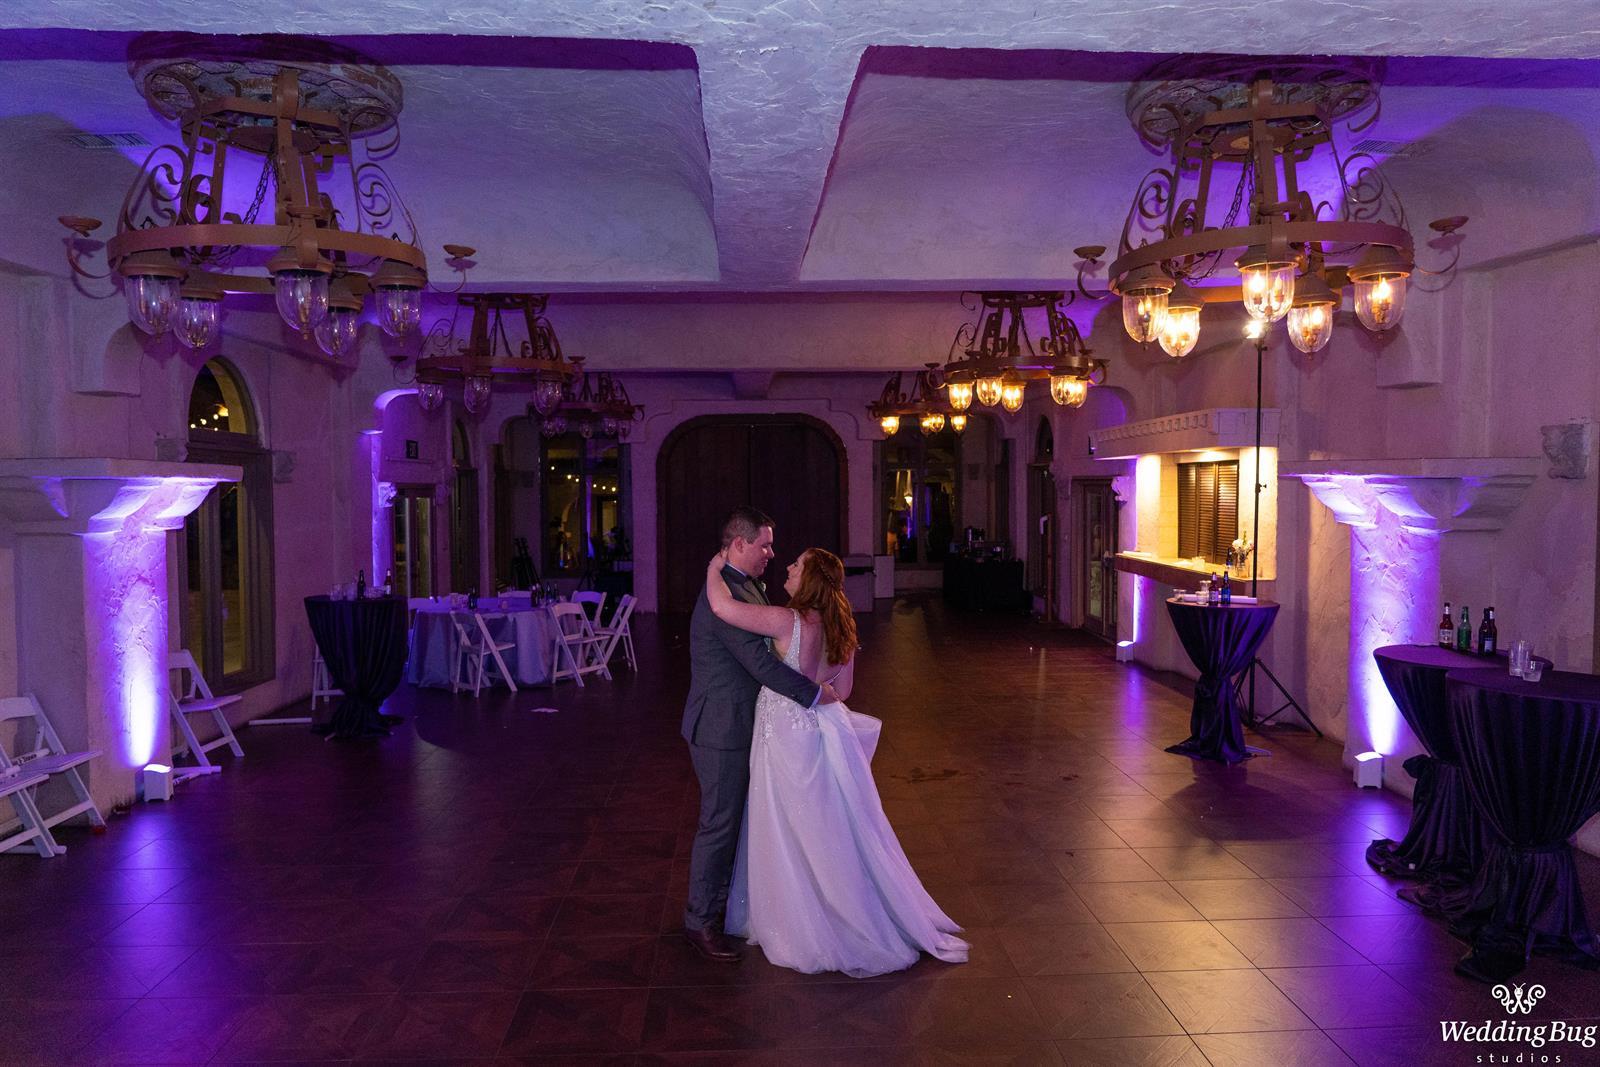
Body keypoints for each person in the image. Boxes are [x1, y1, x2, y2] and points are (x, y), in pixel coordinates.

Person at [703, 545, 969, 977]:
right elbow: (841, 692)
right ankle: (841, 907)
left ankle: (800, 918)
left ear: (809, 579)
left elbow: (721, 606)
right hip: (820, 731)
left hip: (783, 732)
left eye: (797, 564)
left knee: (786, 822)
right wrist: (818, 689)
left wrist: (716, 566)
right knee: (823, 822)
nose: (788, 567)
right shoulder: (840, 624)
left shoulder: (786, 620)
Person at [681, 506, 839, 962]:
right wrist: (814, 695)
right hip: (720, 726)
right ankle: (699, 922)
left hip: (743, 722)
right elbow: (759, 663)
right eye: (765, 545)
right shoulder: (725, 593)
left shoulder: (744, 584)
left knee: (734, 822)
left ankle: (724, 910)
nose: (772, 553)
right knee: (720, 824)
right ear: (739, 544)